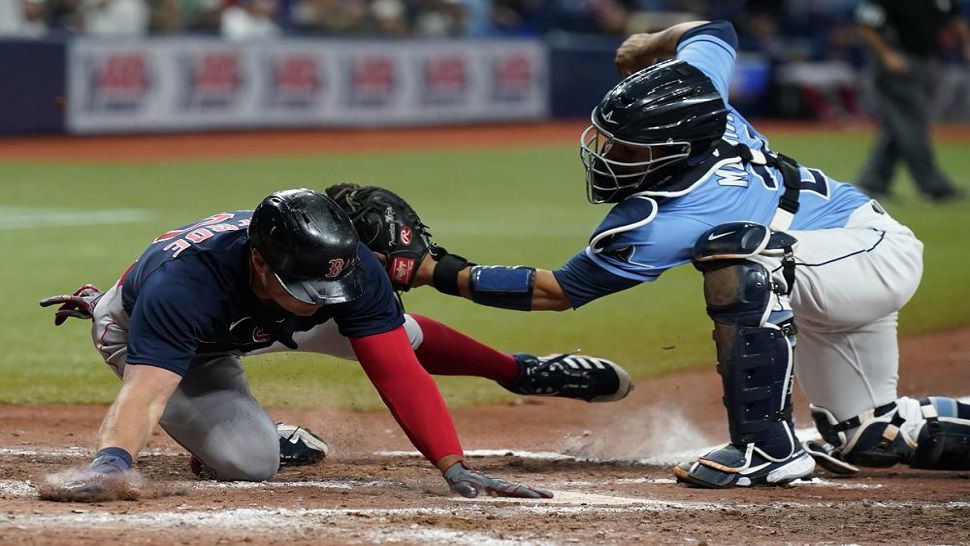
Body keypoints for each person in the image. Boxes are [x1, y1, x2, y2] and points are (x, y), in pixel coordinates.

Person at [362, 20, 970, 488]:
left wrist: (438, 271)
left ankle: (766, 448)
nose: (606, 156)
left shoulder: (668, 215)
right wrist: (655, 42)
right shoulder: (699, 91)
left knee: (738, 257)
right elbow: (715, 31)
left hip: (864, 256)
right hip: (831, 264)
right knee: (867, 436)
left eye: (626, 150)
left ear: (676, 148)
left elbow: (556, 291)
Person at [39, 188, 631, 501]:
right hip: (172, 337)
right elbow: (146, 392)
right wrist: (112, 465)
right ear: (259, 261)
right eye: (308, 287)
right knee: (249, 466)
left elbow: (397, 370)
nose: (323, 296)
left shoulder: (339, 268)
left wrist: (454, 466)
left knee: (400, 332)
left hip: (257, 315)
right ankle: (267, 438)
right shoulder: (186, 287)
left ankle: (519, 371)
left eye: (333, 282)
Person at [854, 0, 970, 202]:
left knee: (900, 125)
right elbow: (866, 25)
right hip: (897, 64)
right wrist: (887, 54)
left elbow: (954, 18)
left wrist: (966, 42)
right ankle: (933, 186)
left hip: (926, 63)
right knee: (912, 123)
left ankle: (872, 182)